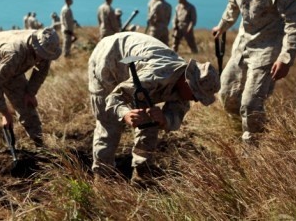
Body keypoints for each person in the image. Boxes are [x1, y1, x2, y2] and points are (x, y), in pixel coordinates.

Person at [88, 32, 220, 185]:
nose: (195, 100)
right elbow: (113, 98)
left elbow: (175, 115)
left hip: (136, 68)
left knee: (150, 119)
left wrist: (164, 119)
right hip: (108, 58)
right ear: (187, 81)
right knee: (109, 124)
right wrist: (125, 114)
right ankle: (103, 177)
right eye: (196, 95)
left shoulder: (183, 90)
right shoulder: (155, 76)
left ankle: (142, 171)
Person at [212, 0, 296, 145]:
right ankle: (241, 128)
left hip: (267, 50)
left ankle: (254, 149)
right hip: (243, 45)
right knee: (227, 94)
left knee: (251, 103)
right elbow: (233, 5)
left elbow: (295, 21)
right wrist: (222, 26)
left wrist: (285, 58)